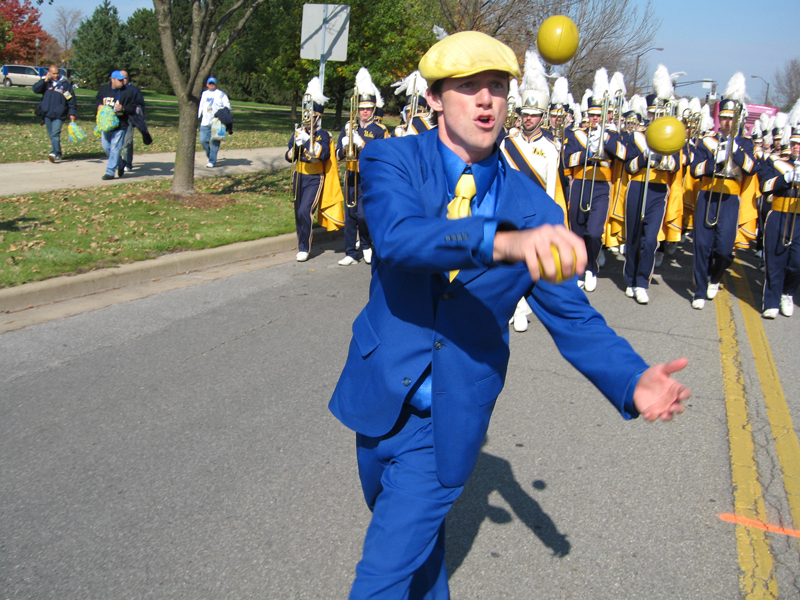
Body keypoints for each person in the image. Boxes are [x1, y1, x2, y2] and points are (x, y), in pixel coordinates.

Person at [329, 31, 690, 600]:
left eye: (497, 87)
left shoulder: (535, 208)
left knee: (382, 575)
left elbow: (573, 318)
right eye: (468, 87)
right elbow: (398, 239)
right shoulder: (391, 159)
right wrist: (501, 242)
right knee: (415, 554)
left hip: (449, 414)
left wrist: (631, 377)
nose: (485, 101)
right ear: (433, 99)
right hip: (378, 396)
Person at [500, 81, 566, 331]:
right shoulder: (508, 144)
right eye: (525, 114)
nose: (528, 119)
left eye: (534, 115)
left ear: (542, 117)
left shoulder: (550, 149)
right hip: (509, 210)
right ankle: (512, 306)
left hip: (534, 214)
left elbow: (550, 189)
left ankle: (522, 308)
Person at [689, 95, 757, 309]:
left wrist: (734, 151)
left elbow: (751, 168)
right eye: (724, 118)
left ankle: (716, 277)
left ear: (739, 120)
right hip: (708, 194)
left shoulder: (745, 143)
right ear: (719, 119)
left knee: (725, 249)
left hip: (730, 198)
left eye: (731, 118)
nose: (727, 122)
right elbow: (695, 169)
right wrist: (713, 161)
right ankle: (699, 290)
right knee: (701, 245)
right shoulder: (708, 141)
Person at [564, 92, 627, 291]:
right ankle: (579, 269)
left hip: (601, 186)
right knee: (578, 231)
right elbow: (568, 160)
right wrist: (587, 153)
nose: (595, 119)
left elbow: (623, 156)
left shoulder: (614, 136)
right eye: (592, 115)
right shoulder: (576, 134)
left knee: (593, 232)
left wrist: (605, 139)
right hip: (580, 183)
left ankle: (591, 267)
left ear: (607, 115)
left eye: (599, 115)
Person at [284, 77, 343, 262]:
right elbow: (288, 156)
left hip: (314, 177)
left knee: (304, 210)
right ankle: (302, 240)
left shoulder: (323, 135)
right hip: (298, 175)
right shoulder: (298, 131)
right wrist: (295, 147)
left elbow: (323, 155)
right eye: (306, 114)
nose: (307, 118)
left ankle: (305, 248)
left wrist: (308, 143)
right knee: (297, 212)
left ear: (318, 116)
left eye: (311, 115)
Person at [336, 68, 388, 266]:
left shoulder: (379, 129)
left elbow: (381, 155)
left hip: (369, 176)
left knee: (363, 215)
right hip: (351, 173)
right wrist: (344, 145)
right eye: (361, 108)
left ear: (373, 109)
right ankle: (350, 252)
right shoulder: (349, 126)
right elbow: (338, 154)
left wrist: (362, 144)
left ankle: (366, 244)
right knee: (350, 215)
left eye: (368, 108)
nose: (364, 111)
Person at [758, 128, 800, 318]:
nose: (795, 147)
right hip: (779, 214)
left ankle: (787, 293)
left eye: (799, 143)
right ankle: (771, 301)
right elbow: (765, 186)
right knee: (775, 260)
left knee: (796, 263)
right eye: (793, 143)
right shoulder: (775, 162)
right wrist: (786, 178)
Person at [95, 70, 137, 180]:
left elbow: (133, 108)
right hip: (106, 125)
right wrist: (99, 105)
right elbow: (98, 99)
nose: (122, 82)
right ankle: (120, 162)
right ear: (112, 80)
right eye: (119, 80)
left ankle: (110, 171)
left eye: (123, 79)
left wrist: (123, 108)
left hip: (121, 125)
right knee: (106, 147)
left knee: (115, 148)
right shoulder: (104, 89)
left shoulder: (126, 93)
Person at [32, 64, 77, 163]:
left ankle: (54, 153)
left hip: (60, 114)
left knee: (55, 134)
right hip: (47, 113)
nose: (56, 75)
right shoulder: (46, 83)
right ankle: (58, 153)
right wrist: (44, 81)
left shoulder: (65, 85)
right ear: (49, 73)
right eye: (53, 73)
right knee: (52, 135)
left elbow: (71, 100)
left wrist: (72, 113)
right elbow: (35, 89)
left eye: (57, 73)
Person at [198, 77, 231, 168]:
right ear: (207, 84)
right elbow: (201, 106)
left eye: (213, 83)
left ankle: (212, 161)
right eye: (210, 83)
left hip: (217, 122)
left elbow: (228, 106)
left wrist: (221, 113)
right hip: (205, 121)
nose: (211, 85)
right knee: (203, 140)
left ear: (216, 84)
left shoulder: (221, 94)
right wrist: (198, 116)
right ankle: (209, 155)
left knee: (215, 142)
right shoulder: (204, 94)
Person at [119, 70, 145, 173]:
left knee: (127, 142)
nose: (123, 80)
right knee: (115, 144)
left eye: (124, 78)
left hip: (129, 119)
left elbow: (140, 105)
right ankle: (117, 162)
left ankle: (127, 163)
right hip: (115, 120)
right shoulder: (115, 90)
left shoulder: (134, 90)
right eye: (120, 78)